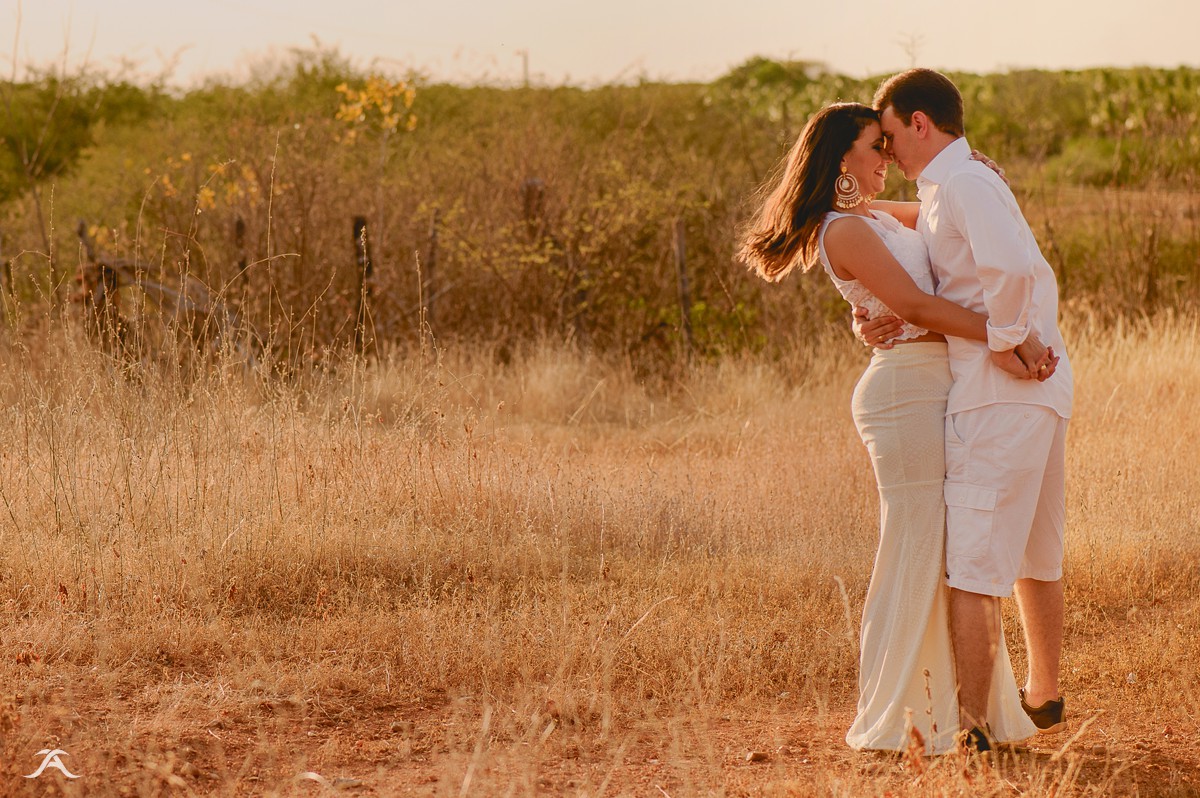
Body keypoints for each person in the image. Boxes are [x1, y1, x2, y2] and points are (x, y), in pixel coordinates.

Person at [737, 102, 1051, 754]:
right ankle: (893, 713)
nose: (887, 159)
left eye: (887, 144)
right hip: (904, 392)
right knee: (915, 548)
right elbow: (910, 304)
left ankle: (942, 710)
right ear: (842, 159)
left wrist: (978, 170)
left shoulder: (873, 217)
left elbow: (944, 218)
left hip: (932, 381)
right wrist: (1006, 338)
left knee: (942, 550)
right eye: (874, 147)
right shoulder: (842, 231)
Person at [866, 68, 1073, 753]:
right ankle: (1043, 693)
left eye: (890, 135)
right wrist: (843, 208)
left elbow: (1009, 269)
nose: (888, 151)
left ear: (920, 122)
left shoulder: (963, 182)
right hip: (1033, 390)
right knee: (1034, 550)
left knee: (973, 563)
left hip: (1000, 389)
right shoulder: (952, 184)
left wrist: (1011, 341)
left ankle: (974, 728)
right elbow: (923, 234)